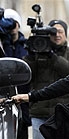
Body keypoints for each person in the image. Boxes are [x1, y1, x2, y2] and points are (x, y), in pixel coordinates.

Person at [23, 19, 69, 139]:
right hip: (40, 113)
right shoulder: (37, 53)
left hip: (65, 113)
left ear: (66, 34)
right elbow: (26, 74)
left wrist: (53, 57)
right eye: (53, 32)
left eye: (60, 31)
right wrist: (31, 56)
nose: (57, 35)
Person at [1, 8, 31, 139]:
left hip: (23, 97)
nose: (11, 26)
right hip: (4, 97)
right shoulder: (2, 44)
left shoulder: (27, 45)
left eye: (13, 22)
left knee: (21, 132)